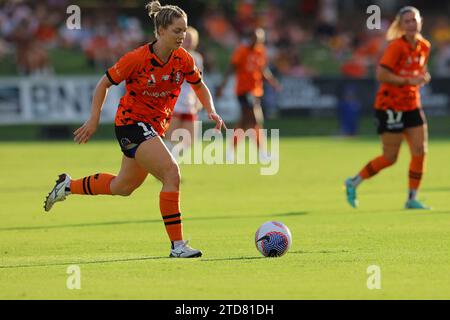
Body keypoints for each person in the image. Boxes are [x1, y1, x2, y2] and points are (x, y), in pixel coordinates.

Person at [43, 0, 226, 258]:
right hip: (131, 123)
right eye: (177, 31)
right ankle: (178, 246)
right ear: (160, 31)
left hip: (153, 127)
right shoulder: (137, 58)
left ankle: (68, 186)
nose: (182, 36)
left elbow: (199, 85)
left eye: (184, 30)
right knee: (171, 173)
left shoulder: (182, 59)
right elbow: (103, 85)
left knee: (123, 186)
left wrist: (211, 109)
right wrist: (93, 119)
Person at [345, 6, 431, 210]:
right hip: (390, 105)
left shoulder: (424, 46)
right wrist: (408, 79)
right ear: (401, 26)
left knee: (420, 151)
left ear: (421, 21)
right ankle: (354, 182)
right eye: (407, 21)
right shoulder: (396, 47)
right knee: (390, 157)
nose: (412, 24)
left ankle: (412, 198)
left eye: (414, 20)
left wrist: (421, 77)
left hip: (412, 103)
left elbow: (420, 70)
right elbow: (381, 75)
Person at [215, 28, 280, 161]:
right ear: (251, 37)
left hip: (255, 90)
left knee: (245, 123)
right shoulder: (242, 51)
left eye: (260, 39)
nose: (257, 42)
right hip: (244, 90)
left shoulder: (261, 51)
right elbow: (231, 67)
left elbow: (262, 69)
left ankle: (231, 151)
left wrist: (272, 81)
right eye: (256, 38)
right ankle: (260, 153)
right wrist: (222, 85)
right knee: (256, 120)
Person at [164, 26, 204, 157]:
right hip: (174, 101)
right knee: (170, 137)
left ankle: (170, 162)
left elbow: (199, 82)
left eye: (192, 40)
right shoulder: (173, 55)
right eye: (187, 39)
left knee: (191, 140)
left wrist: (199, 99)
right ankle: (167, 168)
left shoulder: (197, 58)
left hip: (189, 102)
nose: (189, 42)